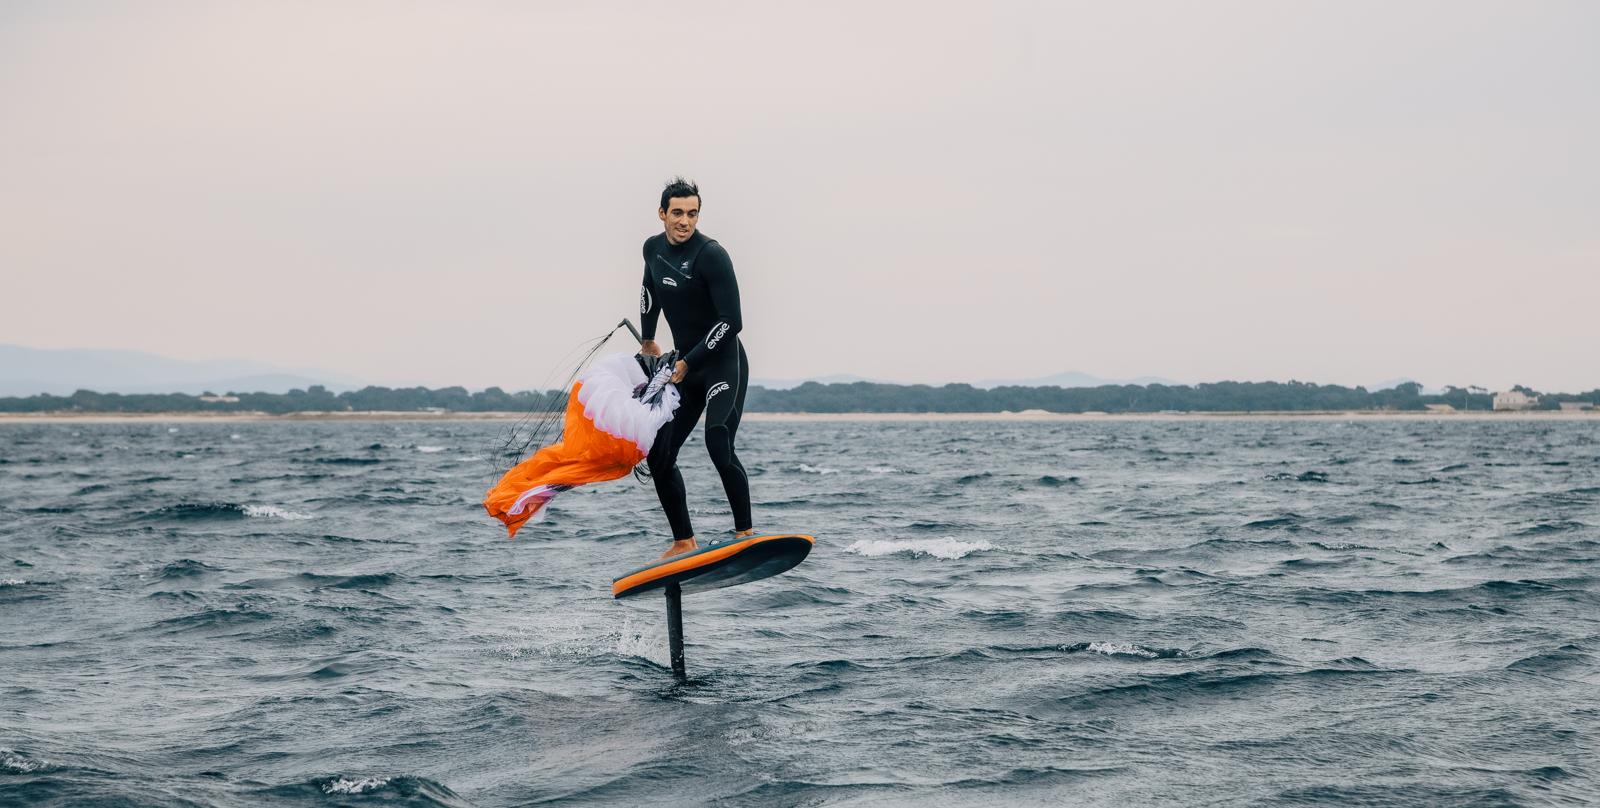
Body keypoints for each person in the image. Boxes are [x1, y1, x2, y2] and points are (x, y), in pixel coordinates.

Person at [637, 178, 753, 559]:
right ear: (662, 214)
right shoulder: (652, 249)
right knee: (659, 453)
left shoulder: (711, 255)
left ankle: (744, 533)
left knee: (717, 439)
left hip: (721, 362)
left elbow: (731, 321)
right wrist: (648, 338)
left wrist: (689, 360)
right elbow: (649, 291)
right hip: (683, 367)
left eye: (692, 213)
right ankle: (684, 540)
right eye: (677, 213)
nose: (685, 221)